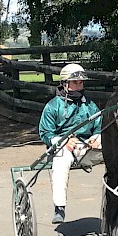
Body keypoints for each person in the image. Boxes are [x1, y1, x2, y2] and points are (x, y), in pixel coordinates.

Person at [39, 63, 102, 224]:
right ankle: (59, 207)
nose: (80, 86)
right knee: (61, 160)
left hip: (85, 146)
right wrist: (63, 141)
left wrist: (97, 138)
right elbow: (45, 133)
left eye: (81, 82)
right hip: (62, 146)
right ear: (65, 84)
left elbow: (99, 126)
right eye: (76, 82)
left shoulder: (90, 105)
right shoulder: (52, 106)